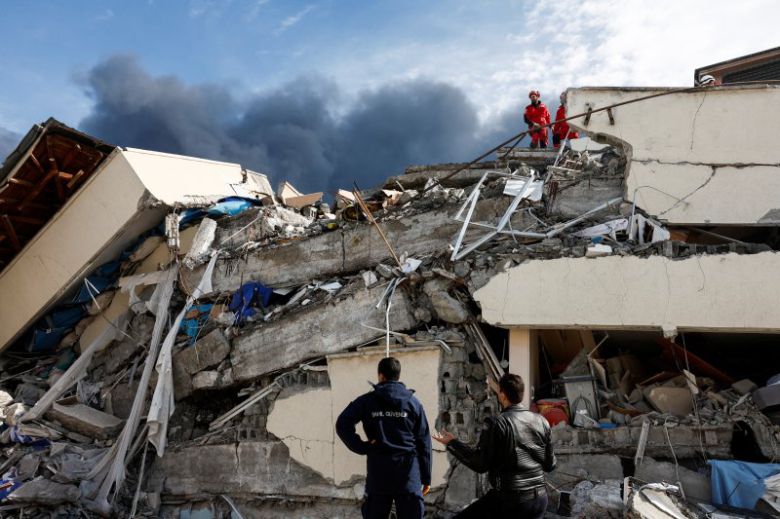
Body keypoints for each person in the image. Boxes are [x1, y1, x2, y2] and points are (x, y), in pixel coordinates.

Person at [432, 374, 556, 518]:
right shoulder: (542, 421)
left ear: (502, 395)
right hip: (539, 500)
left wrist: (452, 443)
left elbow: (480, 464)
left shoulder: (497, 423)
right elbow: (550, 464)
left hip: (510, 502)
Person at [336, 357, 432, 519]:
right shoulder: (413, 403)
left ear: (380, 376)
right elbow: (424, 441)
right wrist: (426, 477)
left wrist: (363, 447)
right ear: (398, 376)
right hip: (408, 475)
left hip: (379, 474)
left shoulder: (367, 401)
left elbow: (342, 424)